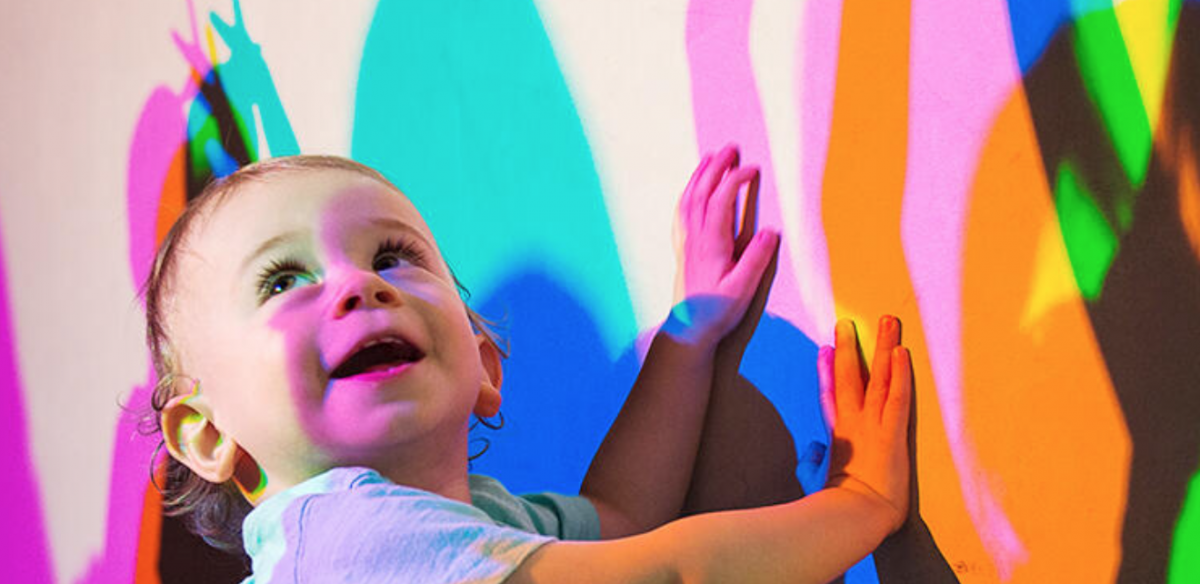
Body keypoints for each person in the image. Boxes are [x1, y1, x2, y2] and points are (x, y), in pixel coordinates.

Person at [144, 148, 912, 583]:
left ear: (485, 367)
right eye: (283, 280)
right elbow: (666, 573)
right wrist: (862, 501)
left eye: (392, 256)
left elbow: (622, 521)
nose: (357, 284)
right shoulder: (343, 546)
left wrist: (688, 333)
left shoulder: (471, 528)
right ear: (207, 436)